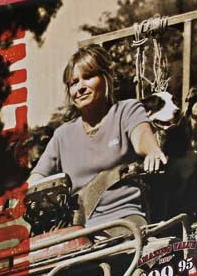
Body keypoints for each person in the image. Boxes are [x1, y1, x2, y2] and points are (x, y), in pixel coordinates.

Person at [28, 45, 167, 230]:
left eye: (88, 77)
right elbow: (38, 176)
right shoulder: (62, 135)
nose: (80, 87)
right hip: (79, 228)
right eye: (73, 83)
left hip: (123, 219)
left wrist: (152, 151)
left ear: (106, 78)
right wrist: (17, 196)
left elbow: (141, 135)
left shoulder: (126, 111)